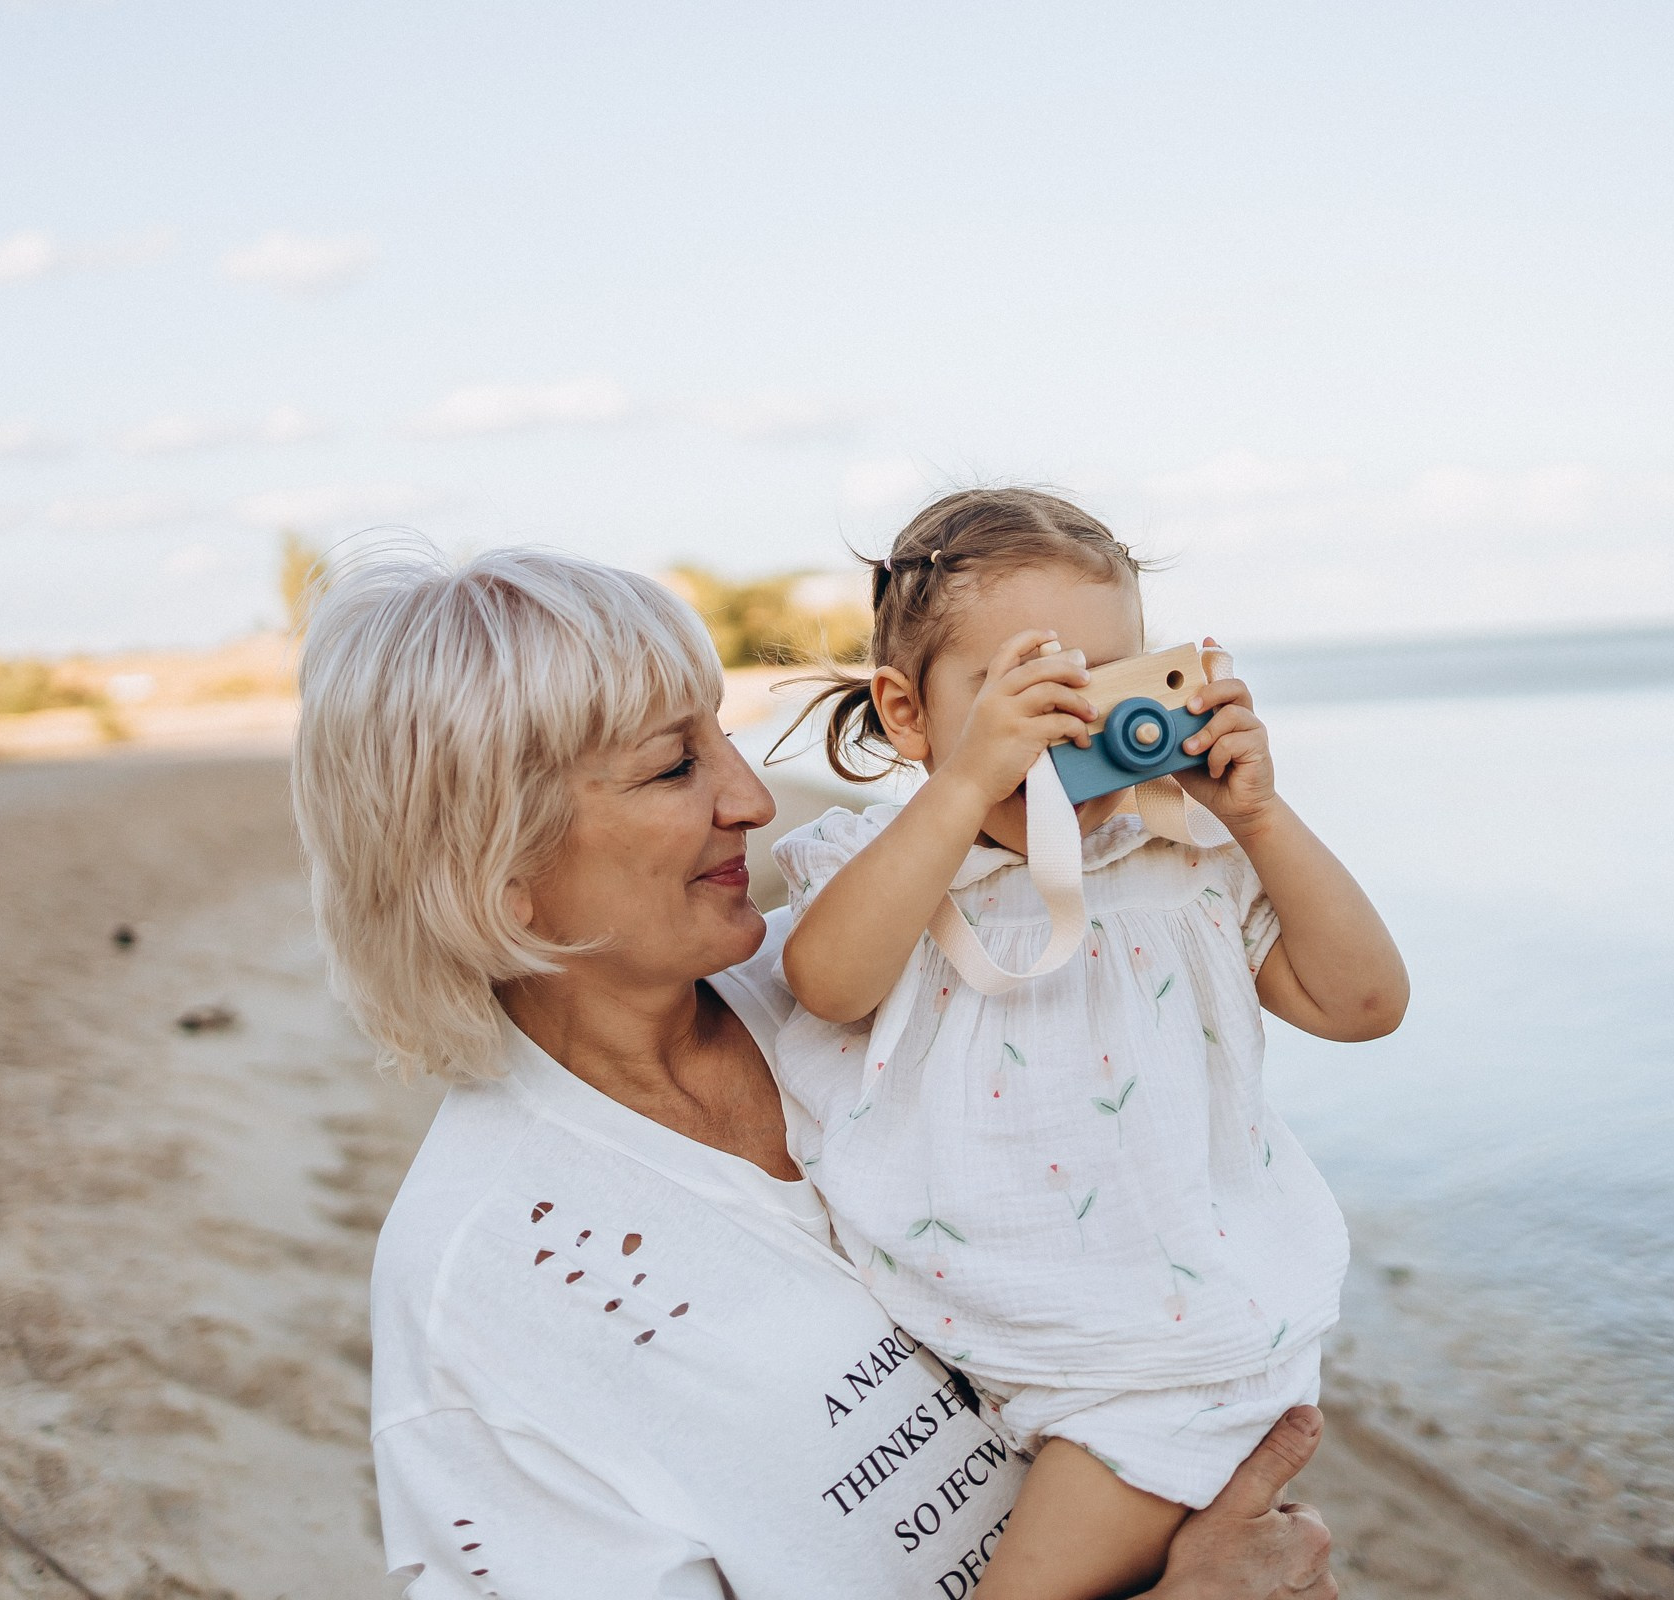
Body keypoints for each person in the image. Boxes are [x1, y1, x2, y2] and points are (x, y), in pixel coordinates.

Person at [291, 542, 1343, 1599]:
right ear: (497, 868)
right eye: (674, 765)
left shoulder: (895, 970)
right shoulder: (480, 1288)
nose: (752, 800)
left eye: (726, 736)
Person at [775, 490, 1409, 1599]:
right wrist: (972, 781)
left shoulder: (1186, 858)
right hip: (994, 1331)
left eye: (1106, 682)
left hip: (1166, 1357)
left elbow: (1363, 1004)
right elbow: (828, 985)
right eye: (1028, 689)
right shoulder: (884, 862)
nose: (1072, 727)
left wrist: (1260, 816)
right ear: (908, 713)